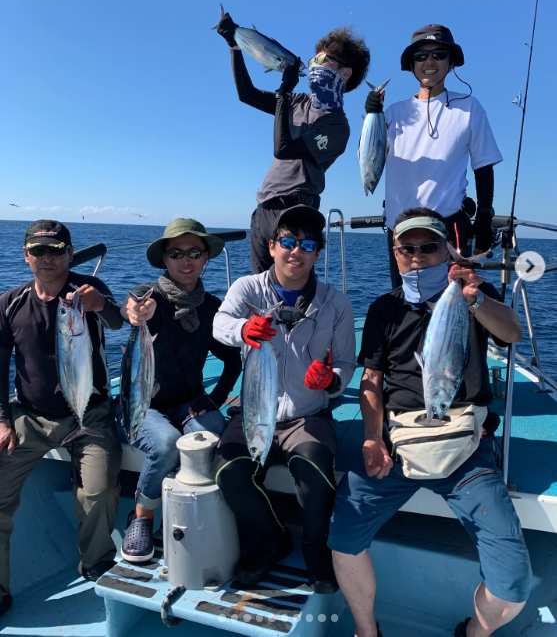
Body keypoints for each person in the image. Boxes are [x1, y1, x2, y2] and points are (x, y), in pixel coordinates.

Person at [328, 208, 532, 637]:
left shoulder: (474, 294)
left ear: (447, 250)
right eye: (408, 249)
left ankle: (472, 633)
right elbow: (371, 380)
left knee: (513, 584)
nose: (418, 256)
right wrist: (372, 438)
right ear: (395, 254)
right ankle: (366, 631)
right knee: (342, 536)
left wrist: (474, 297)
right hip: (398, 445)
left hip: (466, 447)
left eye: (429, 247)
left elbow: (513, 333)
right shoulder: (384, 308)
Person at [212, 204, 355, 593]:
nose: (297, 252)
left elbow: (346, 362)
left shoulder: (336, 302)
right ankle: (273, 538)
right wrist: (244, 329)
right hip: (253, 410)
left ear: (317, 253)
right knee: (228, 473)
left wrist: (331, 380)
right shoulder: (247, 288)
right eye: (288, 242)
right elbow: (220, 323)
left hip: (307, 416)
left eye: (307, 245)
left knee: (316, 476)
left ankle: (315, 549)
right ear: (272, 246)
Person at [0, 220, 123, 618]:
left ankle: (96, 561)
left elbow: (119, 321)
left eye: (56, 250)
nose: (47, 258)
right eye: (38, 250)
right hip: (30, 418)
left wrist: (101, 306)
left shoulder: (89, 290)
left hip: (90, 415)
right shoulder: (11, 303)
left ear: (70, 254)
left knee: (98, 492)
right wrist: (2, 420)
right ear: (26, 256)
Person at [119, 218, 242, 563]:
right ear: (164, 259)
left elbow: (232, 362)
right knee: (165, 444)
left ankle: (187, 513)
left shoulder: (212, 308)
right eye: (176, 253)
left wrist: (213, 399)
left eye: (194, 252)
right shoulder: (149, 298)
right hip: (142, 405)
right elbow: (129, 307)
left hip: (188, 403)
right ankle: (141, 517)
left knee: (214, 431)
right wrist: (134, 312)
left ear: (205, 258)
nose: (185, 260)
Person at [216, 8, 371, 274]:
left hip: (297, 210)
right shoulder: (298, 101)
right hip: (263, 208)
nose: (314, 65)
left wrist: (283, 93)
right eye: (314, 59)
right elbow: (247, 94)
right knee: (261, 288)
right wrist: (234, 45)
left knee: (292, 288)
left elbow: (284, 149)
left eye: (323, 60)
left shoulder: (337, 127)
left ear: (345, 73)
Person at [365, 24, 503, 288]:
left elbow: (483, 166)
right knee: (405, 304)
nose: (429, 62)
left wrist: (485, 216)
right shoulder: (392, 112)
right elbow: (369, 157)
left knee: (454, 304)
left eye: (438, 54)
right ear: (412, 65)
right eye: (421, 56)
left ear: (451, 63)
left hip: (447, 229)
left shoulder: (470, 108)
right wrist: (373, 114)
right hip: (400, 231)